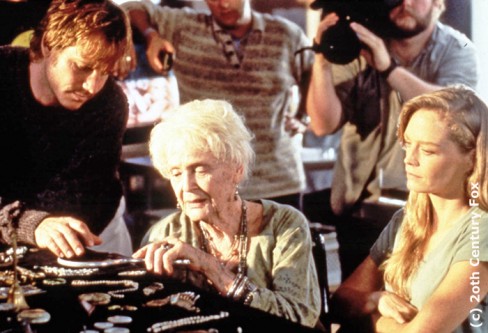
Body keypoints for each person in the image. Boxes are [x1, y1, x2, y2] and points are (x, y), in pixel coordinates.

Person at [306, 0, 478, 280]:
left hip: (429, 208)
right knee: (359, 308)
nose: (405, 3)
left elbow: (452, 114)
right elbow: (323, 124)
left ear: (439, 4)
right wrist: (322, 59)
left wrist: (388, 68)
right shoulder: (359, 45)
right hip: (360, 206)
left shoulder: (457, 50)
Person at [133, 99, 321, 328]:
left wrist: (212, 268)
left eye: (200, 169)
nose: (187, 185)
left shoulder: (284, 225)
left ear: (237, 170)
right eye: (176, 173)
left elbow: (299, 318)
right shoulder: (165, 233)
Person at [121, 0, 315, 209]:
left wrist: (303, 115)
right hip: (209, 183)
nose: (222, 4)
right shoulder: (183, 26)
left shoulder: (286, 35)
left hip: (278, 180)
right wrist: (151, 35)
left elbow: (313, 71)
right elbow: (129, 8)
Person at [329, 85, 488, 333]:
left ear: (471, 159)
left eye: (427, 150)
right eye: (407, 144)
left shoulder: (482, 229)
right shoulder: (406, 218)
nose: (409, 159)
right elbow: (341, 300)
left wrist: (369, 318)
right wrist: (375, 300)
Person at [0, 0, 134, 257]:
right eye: (82, 67)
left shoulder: (109, 103)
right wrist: (28, 223)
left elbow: (83, 195)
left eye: (104, 72)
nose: (92, 87)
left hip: (86, 232)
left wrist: (29, 223)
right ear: (48, 45)